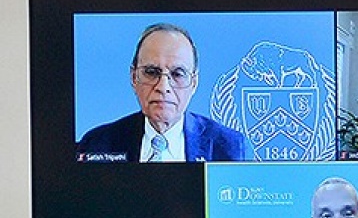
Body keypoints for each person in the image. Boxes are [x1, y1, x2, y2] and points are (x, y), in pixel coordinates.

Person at [76, 23, 249, 162]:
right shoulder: (97, 144)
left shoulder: (230, 148)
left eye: (177, 74)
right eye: (151, 72)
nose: (163, 86)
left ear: (194, 83)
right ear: (134, 77)